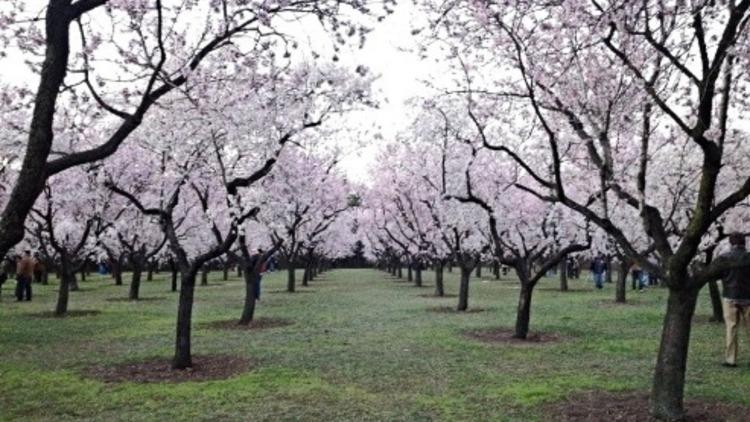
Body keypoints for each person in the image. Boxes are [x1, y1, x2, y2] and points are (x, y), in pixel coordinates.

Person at [718, 233, 750, 368]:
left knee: (731, 328)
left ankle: (731, 359)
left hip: (730, 296)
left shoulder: (724, 258)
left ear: (731, 243)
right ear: (744, 243)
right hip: (748, 297)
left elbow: (718, 275)